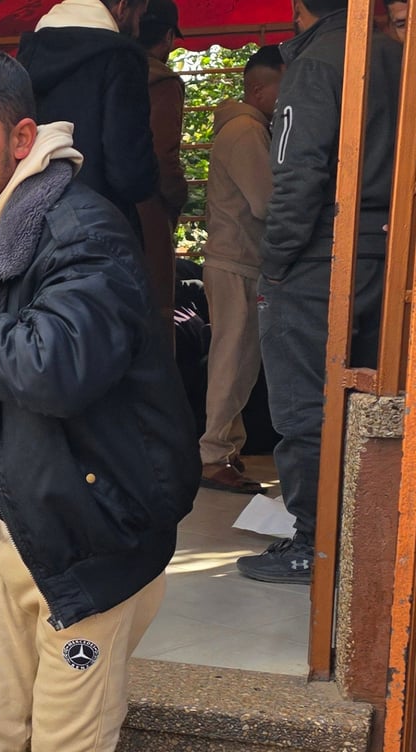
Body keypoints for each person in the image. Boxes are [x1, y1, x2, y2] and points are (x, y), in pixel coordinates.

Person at [0, 48, 199, 752]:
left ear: (22, 140)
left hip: (94, 535)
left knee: (67, 741)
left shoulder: (84, 232)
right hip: (10, 523)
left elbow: (54, 369)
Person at [237, 0, 402, 584]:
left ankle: (316, 542)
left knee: (305, 406)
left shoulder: (316, 63)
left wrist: (276, 262)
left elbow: (297, 172)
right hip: (383, 250)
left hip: (320, 253)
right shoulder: (395, 53)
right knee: (368, 402)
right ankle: (360, 539)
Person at [198, 45, 284, 494]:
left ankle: (223, 451)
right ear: (257, 88)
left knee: (237, 361)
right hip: (237, 260)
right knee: (234, 362)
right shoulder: (248, 131)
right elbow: (266, 202)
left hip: (234, 259)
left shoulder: (245, 128)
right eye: (282, 87)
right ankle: (214, 456)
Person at [16, 0, 157, 236]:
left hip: (28, 224)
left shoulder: (28, 54)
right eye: (139, 17)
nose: (138, 29)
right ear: (122, 7)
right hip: (97, 229)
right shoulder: (120, 59)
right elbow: (130, 174)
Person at [136, 0, 188, 340]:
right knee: (155, 316)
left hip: (92, 208)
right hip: (147, 214)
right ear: (168, 37)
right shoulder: (163, 82)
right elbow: (163, 156)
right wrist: (177, 198)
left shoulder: (105, 69)